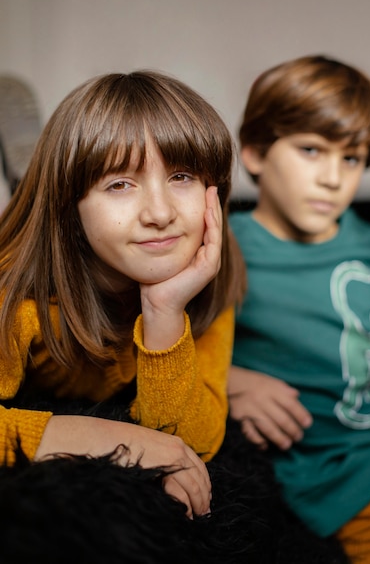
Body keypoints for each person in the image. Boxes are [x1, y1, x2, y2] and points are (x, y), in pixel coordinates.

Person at [0, 69, 245, 519]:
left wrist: (164, 310)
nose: (160, 213)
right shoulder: (18, 298)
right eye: (119, 184)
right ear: (70, 208)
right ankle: (29, 169)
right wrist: (96, 436)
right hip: (53, 246)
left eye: (182, 176)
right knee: (34, 188)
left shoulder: (206, 265)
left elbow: (194, 442)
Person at [228, 54, 370, 563]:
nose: (333, 177)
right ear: (255, 153)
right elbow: (148, 342)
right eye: (311, 150)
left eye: (351, 158)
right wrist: (227, 379)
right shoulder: (219, 248)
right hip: (267, 489)